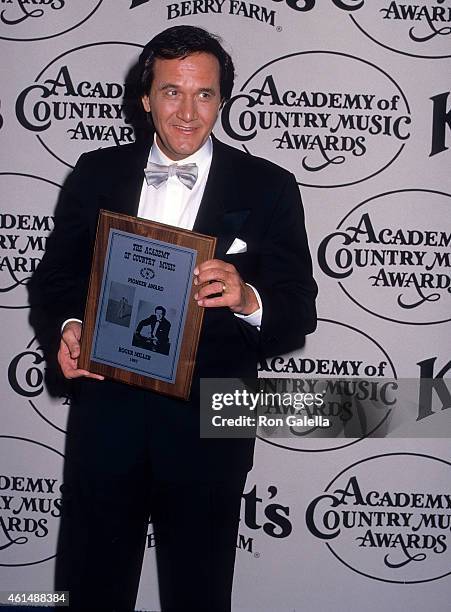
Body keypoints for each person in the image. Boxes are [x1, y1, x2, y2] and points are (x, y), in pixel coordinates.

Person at [28, 25, 317, 612]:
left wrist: (247, 298)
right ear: (145, 97)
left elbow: (299, 311)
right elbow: (56, 278)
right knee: (89, 589)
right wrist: (67, 327)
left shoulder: (269, 187)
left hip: (212, 421)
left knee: (200, 591)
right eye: (171, 92)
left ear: (222, 99)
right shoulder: (96, 171)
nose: (187, 111)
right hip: (108, 414)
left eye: (204, 94)